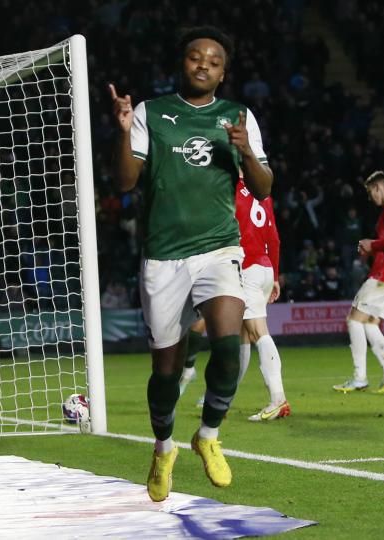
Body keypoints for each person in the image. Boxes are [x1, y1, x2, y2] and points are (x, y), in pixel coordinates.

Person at [109, 26, 273, 502]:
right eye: (195, 57)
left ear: (224, 72)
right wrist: (123, 132)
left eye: (214, 60)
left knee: (227, 343)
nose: (203, 65)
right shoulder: (151, 113)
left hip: (219, 248)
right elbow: (125, 182)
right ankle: (163, 447)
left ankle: (208, 434)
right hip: (164, 258)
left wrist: (244, 149)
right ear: (183, 63)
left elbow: (263, 188)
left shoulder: (238, 116)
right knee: (166, 370)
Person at [179, 178, 289, 422]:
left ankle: (278, 399)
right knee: (242, 335)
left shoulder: (229, 190)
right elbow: (275, 238)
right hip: (265, 267)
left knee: (258, 331)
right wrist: (276, 277)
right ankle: (223, 398)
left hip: (247, 267)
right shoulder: (262, 192)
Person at [333, 171, 384, 394]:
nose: (371, 198)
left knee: (353, 320)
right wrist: (377, 248)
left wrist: (372, 245)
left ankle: (359, 378)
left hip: (383, 276)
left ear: (379, 188)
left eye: (370, 192)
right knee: (369, 324)